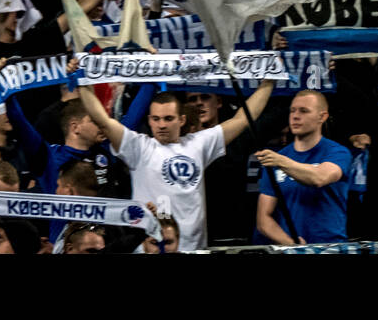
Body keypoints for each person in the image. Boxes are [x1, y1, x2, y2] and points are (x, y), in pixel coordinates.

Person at [75, 73, 275, 251]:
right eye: (156, 119)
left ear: (181, 120)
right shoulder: (138, 147)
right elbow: (102, 120)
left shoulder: (199, 143)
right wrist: (83, 80)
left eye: (168, 118)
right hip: (152, 247)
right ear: (150, 120)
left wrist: (269, 81)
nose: (161, 125)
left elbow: (243, 119)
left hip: (195, 248)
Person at [255, 89, 352, 245]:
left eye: (304, 111)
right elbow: (263, 218)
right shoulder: (276, 159)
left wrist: (282, 162)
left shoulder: (337, 152)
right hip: (290, 249)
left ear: (322, 117)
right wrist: (290, 243)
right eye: (292, 111)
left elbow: (319, 178)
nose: (295, 116)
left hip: (329, 247)